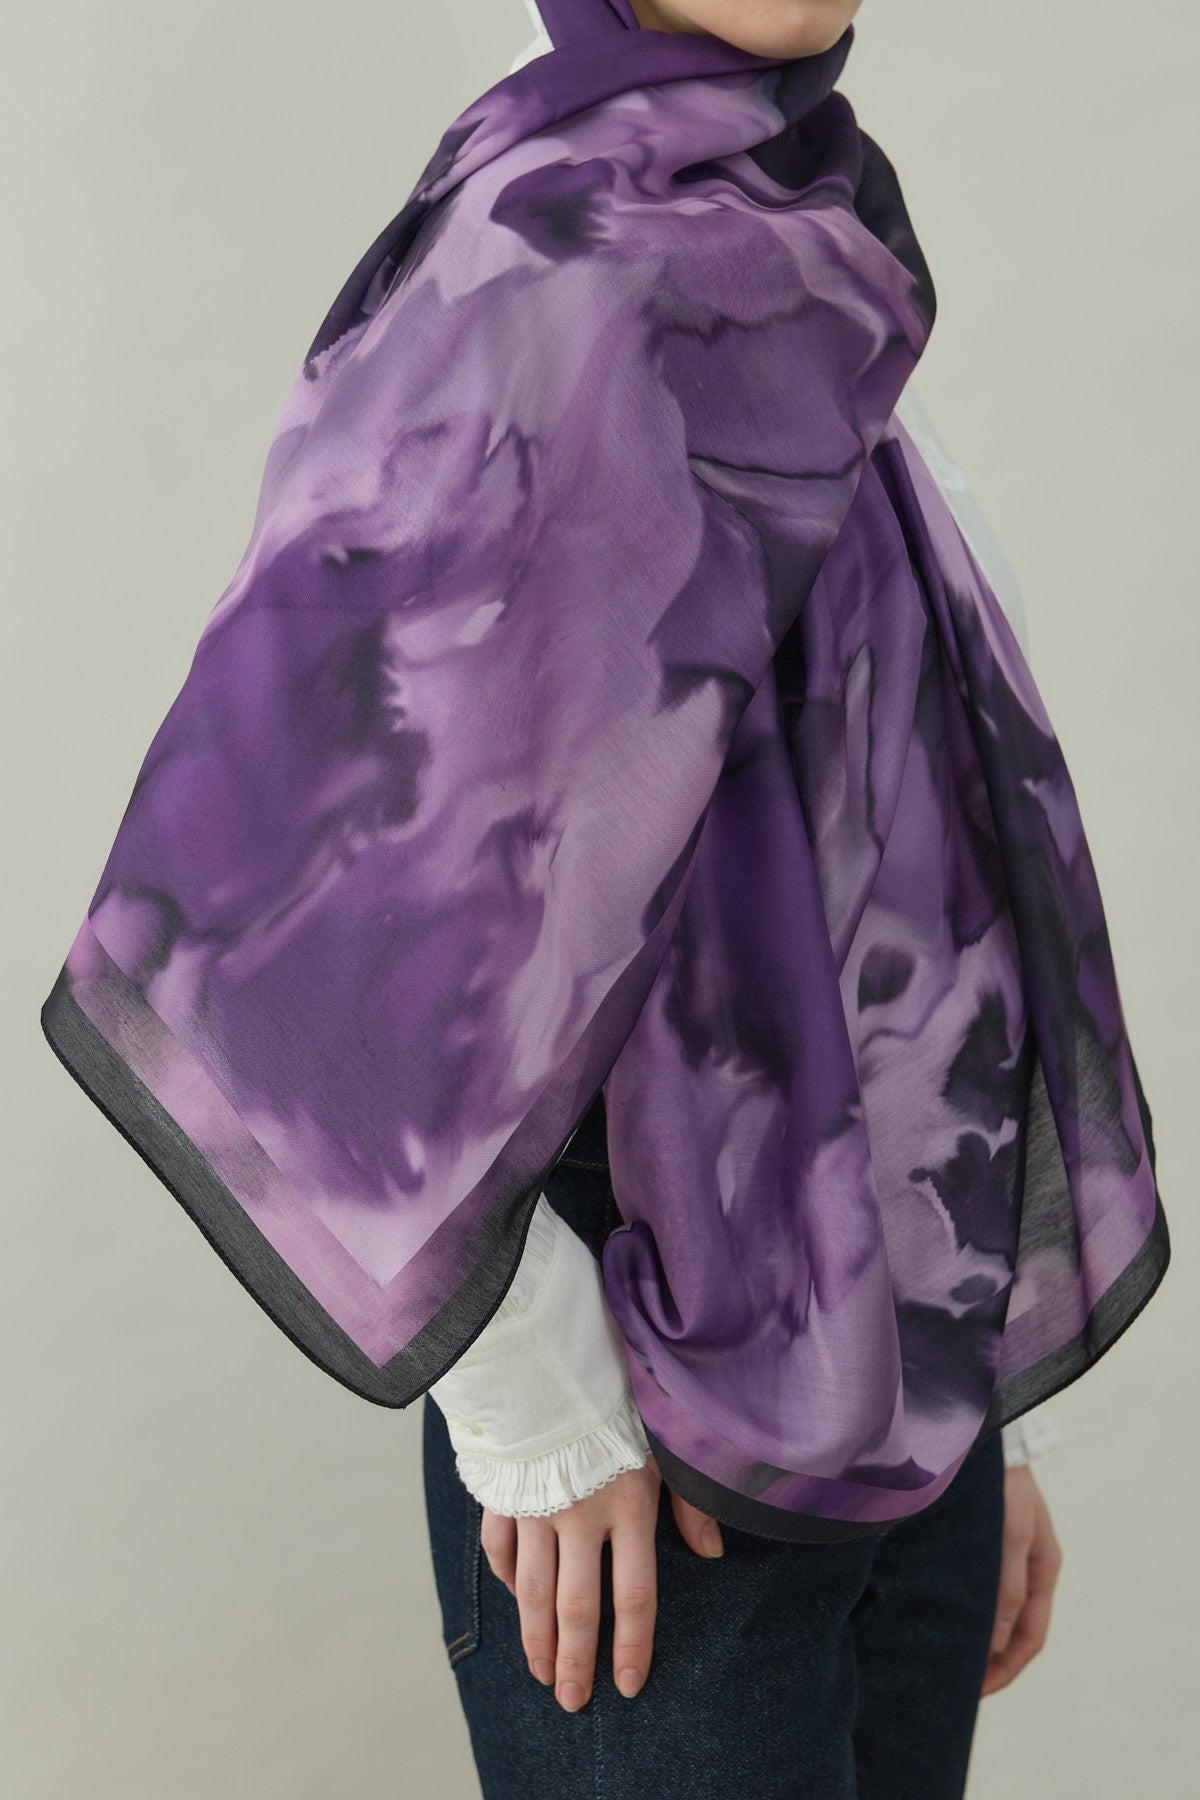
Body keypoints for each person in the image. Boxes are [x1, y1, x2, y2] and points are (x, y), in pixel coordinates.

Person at [416, 4, 1068, 1795]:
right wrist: (530, 1392)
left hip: (894, 1362)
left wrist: (976, 1392)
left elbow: (896, 839)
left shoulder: (801, 237)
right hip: (642, 1392)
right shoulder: (537, 258)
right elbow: (328, 905)